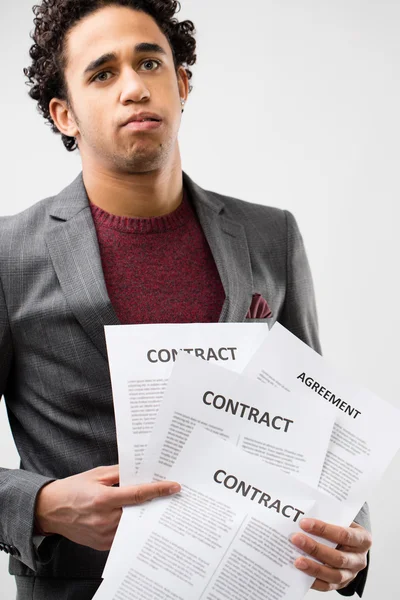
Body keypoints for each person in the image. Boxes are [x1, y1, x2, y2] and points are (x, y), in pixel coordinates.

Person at [0, 1, 371, 598]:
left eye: (149, 63)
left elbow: (319, 422)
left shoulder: (270, 236)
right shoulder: (8, 256)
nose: (133, 88)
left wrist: (350, 537)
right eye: (102, 73)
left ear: (181, 84)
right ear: (64, 114)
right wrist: (41, 504)